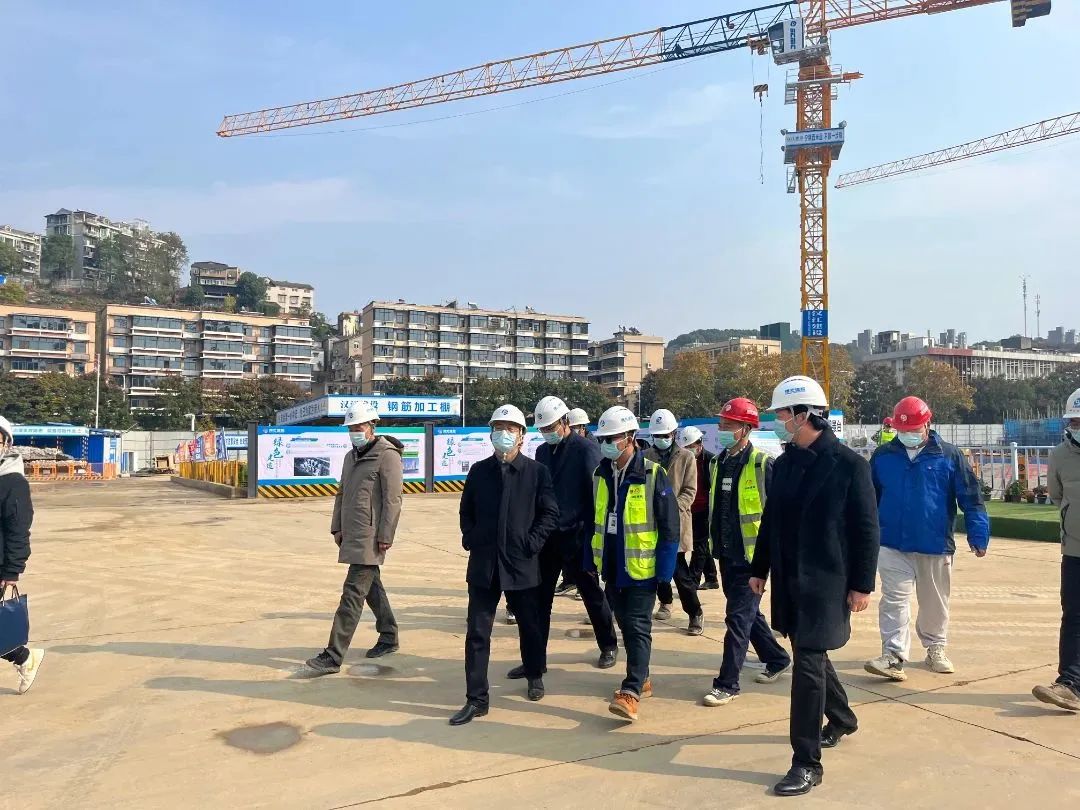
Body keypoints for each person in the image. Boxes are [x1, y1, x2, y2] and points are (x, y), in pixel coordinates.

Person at [749, 376, 880, 796]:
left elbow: (866, 530)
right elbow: (771, 521)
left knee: (807, 665)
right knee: (811, 652)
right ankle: (841, 717)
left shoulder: (850, 465)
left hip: (827, 582)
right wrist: (759, 569)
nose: (777, 421)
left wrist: (862, 584)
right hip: (790, 579)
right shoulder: (785, 464)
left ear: (804, 415)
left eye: (781, 414)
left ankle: (806, 762)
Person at [865, 396, 990, 681]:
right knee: (894, 599)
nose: (907, 434)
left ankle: (935, 647)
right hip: (892, 542)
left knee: (934, 601)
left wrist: (978, 533)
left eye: (912, 429)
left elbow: (971, 498)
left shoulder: (949, 455)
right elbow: (869, 498)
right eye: (902, 430)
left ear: (927, 424)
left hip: (934, 543)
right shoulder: (883, 456)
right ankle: (893, 655)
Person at [452, 404, 559, 725]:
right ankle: (476, 699)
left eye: (510, 429)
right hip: (484, 565)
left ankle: (534, 673)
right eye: (498, 428)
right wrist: (471, 538)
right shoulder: (479, 471)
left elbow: (549, 513)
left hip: (521, 563)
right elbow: (466, 511)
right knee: (477, 633)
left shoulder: (536, 472)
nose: (504, 434)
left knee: (530, 625)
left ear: (522, 435)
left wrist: (531, 544)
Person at [509, 396, 617, 677]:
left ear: (565, 422)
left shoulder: (586, 450)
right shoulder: (543, 452)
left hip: (578, 537)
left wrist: (593, 538)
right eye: (543, 429)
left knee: (591, 594)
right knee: (539, 601)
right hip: (548, 538)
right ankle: (536, 660)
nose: (548, 433)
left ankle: (608, 645)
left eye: (551, 427)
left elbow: (596, 497)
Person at [585, 406, 680, 722]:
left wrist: (665, 574)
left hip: (642, 569)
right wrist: (590, 560)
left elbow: (670, 527)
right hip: (612, 567)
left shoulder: (653, 474)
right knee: (625, 623)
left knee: (638, 626)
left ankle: (631, 691)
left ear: (629, 437)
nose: (606, 444)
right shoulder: (601, 474)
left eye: (611, 438)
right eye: (603, 438)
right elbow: (594, 520)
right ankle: (644, 677)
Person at [703, 398, 791, 707]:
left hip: (753, 558)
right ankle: (776, 658)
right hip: (726, 554)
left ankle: (727, 683)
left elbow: (778, 513)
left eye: (729, 425)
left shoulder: (763, 464)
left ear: (746, 429)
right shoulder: (717, 463)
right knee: (748, 615)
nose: (722, 430)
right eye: (721, 424)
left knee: (737, 619)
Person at [305, 403, 404, 676]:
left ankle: (333, 655)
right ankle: (389, 635)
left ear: (372, 426)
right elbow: (342, 493)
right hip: (351, 532)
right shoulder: (351, 456)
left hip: (371, 536)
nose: (354, 432)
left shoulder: (387, 456)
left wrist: (386, 535)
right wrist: (336, 527)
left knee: (352, 594)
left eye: (358, 427)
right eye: (350, 428)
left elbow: (393, 500)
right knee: (372, 588)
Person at [1032, 388, 1080, 712]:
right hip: (1075, 549)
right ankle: (1070, 684)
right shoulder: (1059, 455)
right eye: (1074, 421)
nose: (1078, 426)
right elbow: (1056, 495)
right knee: (1074, 616)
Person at [646, 408, 703, 635]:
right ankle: (665, 602)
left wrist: (669, 509)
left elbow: (689, 491)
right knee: (656, 570)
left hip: (676, 523)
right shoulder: (645, 456)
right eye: (657, 435)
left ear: (674, 434)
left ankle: (695, 612)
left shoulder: (686, 457)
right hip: (651, 524)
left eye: (665, 435)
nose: (660, 439)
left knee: (680, 573)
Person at [0, 415, 44, 694]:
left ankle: (24, 658)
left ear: (6, 444)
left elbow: (18, 528)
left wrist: (12, 570)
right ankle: (25, 658)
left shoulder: (12, 481)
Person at [677, 426, 719, 591]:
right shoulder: (682, 460)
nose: (690, 449)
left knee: (699, 545)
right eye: (686, 447)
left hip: (704, 509)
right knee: (701, 544)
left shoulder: (710, 460)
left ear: (700, 443)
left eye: (692, 446)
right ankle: (711, 577)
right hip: (688, 509)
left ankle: (692, 581)